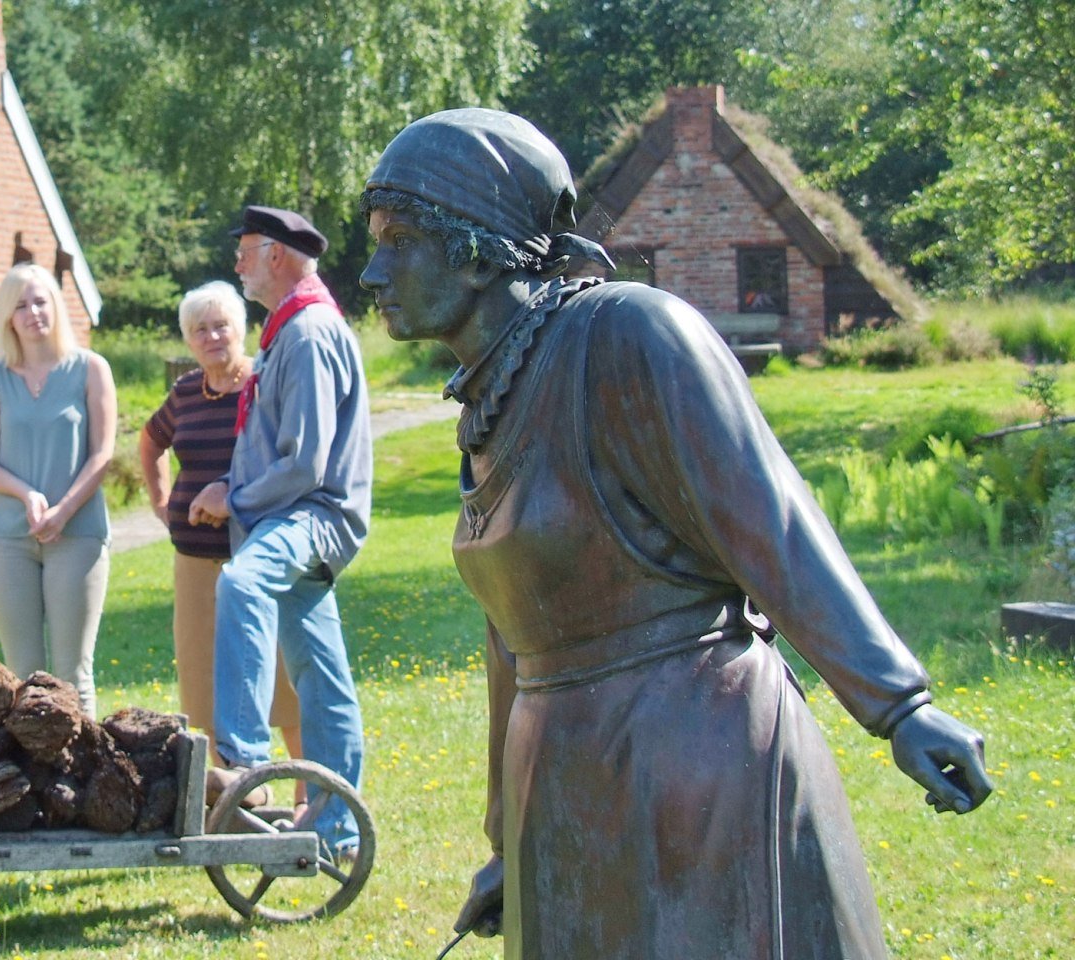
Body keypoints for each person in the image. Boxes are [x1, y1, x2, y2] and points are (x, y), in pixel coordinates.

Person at [356, 108, 993, 958]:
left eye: (398, 238)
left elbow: (770, 519)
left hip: (693, 766)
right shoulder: (489, 397)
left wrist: (898, 705)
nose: (371, 269)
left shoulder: (627, 336)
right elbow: (519, 633)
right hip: (570, 789)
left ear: (477, 247)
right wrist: (511, 842)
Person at [187, 206, 372, 858]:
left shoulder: (310, 333)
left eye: (243, 251)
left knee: (242, 582)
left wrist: (232, 497)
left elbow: (307, 461)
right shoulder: (286, 330)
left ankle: (243, 757)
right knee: (322, 675)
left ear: (274, 255)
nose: (235, 264)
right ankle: (337, 829)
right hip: (291, 517)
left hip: (314, 515)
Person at [140, 281, 303, 765]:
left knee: (278, 673)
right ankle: (232, 791)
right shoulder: (186, 392)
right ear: (189, 341)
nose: (212, 337)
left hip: (254, 552)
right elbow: (150, 442)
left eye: (221, 326)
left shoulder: (262, 384)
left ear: (242, 330)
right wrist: (160, 499)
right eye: (200, 329)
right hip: (193, 560)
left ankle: (302, 789)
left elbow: (287, 460)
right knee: (202, 676)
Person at [0, 262, 116, 715]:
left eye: (41, 301)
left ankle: (83, 778)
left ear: (56, 306)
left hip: (78, 536)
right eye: (21, 305)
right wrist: (27, 495)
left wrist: (65, 510)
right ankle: (29, 783)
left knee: (73, 674)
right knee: (21, 675)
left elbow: (102, 454)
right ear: (8, 318)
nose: (33, 312)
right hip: (8, 540)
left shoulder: (90, 369)